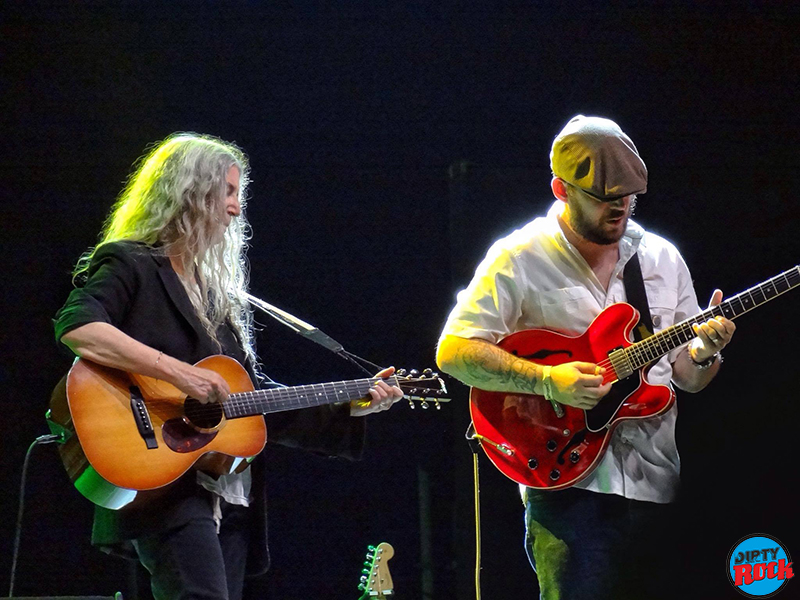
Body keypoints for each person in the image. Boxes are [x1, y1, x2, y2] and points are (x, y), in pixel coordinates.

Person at [53, 133, 404, 600]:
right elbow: (79, 327)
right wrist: (179, 373)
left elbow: (248, 400)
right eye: (230, 193)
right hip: (164, 483)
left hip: (230, 491)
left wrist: (350, 406)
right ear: (191, 193)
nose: (238, 209)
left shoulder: (216, 295)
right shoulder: (132, 263)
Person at [436, 115, 736, 599]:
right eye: (604, 198)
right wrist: (546, 382)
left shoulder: (662, 258)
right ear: (561, 188)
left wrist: (704, 352)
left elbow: (687, 378)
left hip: (658, 485)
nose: (620, 208)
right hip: (567, 489)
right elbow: (453, 352)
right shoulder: (518, 257)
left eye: (629, 197)